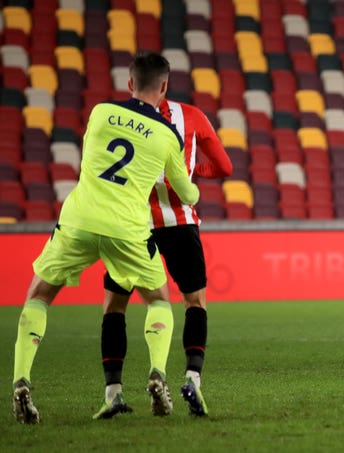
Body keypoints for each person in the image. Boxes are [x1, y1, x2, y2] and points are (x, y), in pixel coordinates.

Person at [12, 52, 199, 424]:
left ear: (130, 83)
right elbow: (185, 193)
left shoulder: (99, 113)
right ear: (164, 87)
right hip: (128, 228)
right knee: (159, 301)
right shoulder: (167, 136)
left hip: (79, 220)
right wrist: (191, 183)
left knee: (39, 295)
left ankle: (21, 380)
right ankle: (157, 374)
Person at [94, 97, 232, 419]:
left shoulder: (118, 116)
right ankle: (192, 379)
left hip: (131, 224)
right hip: (180, 223)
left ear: (132, 84)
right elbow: (225, 167)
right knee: (194, 303)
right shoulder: (192, 116)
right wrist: (193, 167)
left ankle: (113, 392)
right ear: (165, 84)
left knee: (115, 306)